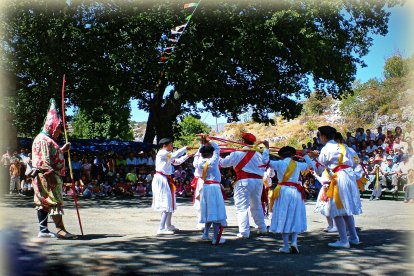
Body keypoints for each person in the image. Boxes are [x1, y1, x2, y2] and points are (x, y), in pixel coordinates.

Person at [307, 126, 362, 249]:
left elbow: (319, 169)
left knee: (336, 209)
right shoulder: (344, 147)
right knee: (346, 210)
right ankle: (353, 237)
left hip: (338, 178)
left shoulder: (326, 149)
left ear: (324, 136)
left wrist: (312, 157)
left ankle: (343, 240)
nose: (319, 138)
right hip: (349, 177)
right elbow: (355, 162)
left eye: (319, 135)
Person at [31, 99, 77, 239]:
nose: (59, 133)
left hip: (45, 175)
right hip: (47, 175)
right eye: (57, 130)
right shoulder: (44, 139)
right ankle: (61, 230)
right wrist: (50, 175)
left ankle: (43, 230)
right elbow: (44, 161)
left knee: (44, 202)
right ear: (52, 126)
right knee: (55, 201)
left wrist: (62, 150)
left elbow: (50, 155)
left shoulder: (46, 139)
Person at [263, 142, 314, 254]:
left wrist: (266, 148)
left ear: (281, 156)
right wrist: (305, 155)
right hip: (295, 192)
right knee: (295, 216)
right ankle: (294, 242)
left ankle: (286, 246)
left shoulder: (279, 163)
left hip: (283, 192)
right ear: (293, 155)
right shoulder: (297, 164)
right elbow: (311, 166)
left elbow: (265, 161)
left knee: (284, 216)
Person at [219, 132, 267, 239]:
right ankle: (262, 227)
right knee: (257, 205)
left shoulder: (237, 153)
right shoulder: (259, 155)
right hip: (258, 182)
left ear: (242, 141)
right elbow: (264, 168)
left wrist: (215, 155)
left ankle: (244, 232)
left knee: (241, 207)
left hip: (244, 181)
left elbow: (223, 163)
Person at [152, 138, 191, 235]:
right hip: (161, 179)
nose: (172, 146)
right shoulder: (162, 153)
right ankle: (161, 228)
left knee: (170, 202)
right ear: (165, 145)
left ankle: (168, 225)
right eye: (171, 145)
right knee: (166, 203)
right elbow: (174, 155)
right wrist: (185, 148)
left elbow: (176, 161)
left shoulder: (167, 155)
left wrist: (187, 156)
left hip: (166, 179)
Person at [195, 136, 227, 245]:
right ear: (210, 154)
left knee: (208, 211)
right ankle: (215, 238)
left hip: (205, 187)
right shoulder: (213, 161)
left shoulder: (199, 162)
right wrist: (209, 141)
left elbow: (199, 154)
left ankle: (205, 234)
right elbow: (217, 149)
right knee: (216, 212)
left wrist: (202, 143)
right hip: (214, 188)